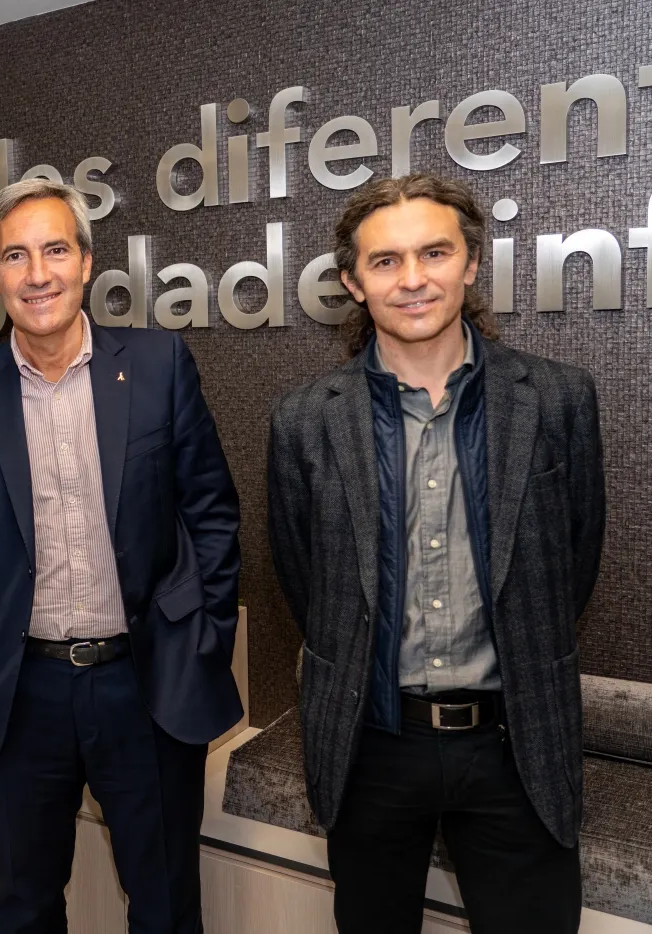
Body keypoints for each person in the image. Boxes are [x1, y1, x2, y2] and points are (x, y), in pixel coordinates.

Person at [267, 172, 605, 934]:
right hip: (373, 748)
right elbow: (307, 584)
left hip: (517, 746)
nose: (413, 279)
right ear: (354, 282)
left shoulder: (557, 400)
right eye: (385, 261)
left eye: (434, 253)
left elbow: (570, 569)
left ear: (472, 264)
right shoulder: (303, 423)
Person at [0, 178, 243, 933]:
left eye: (55, 249)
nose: (38, 273)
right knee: (27, 905)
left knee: (164, 904)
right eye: (16, 256)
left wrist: (203, 644)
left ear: (88, 262)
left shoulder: (159, 364)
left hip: (147, 682)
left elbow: (213, 515)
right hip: (20, 694)